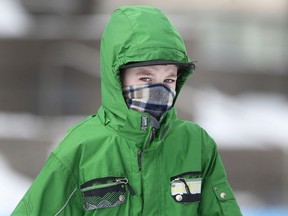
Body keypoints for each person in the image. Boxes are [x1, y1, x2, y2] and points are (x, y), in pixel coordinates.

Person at [12, 5, 242, 215]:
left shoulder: (197, 145)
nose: (160, 90)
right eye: (145, 78)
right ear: (117, 77)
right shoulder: (81, 148)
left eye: (169, 80)